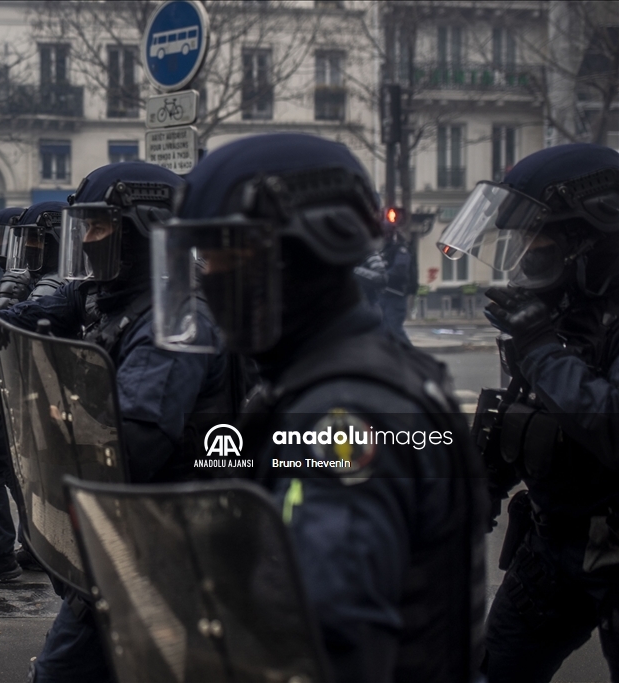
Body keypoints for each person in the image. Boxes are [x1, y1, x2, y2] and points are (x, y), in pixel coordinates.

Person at [0, 161, 232, 683]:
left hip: (167, 544)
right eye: (82, 227)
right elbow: (6, 324)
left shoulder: (173, 321)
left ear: (144, 228)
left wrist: (62, 413)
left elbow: (134, 442)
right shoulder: (100, 294)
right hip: (119, 538)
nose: (85, 240)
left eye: (97, 227)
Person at [156, 132, 486, 682]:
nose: (206, 277)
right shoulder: (327, 376)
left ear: (298, 255)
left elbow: (322, 642)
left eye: (221, 255)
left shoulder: (348, 415)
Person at [438, 143, 619, 683]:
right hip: (554, 546)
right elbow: (524, 410)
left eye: (537, 241)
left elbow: (609, 423)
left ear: (592, 241)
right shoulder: (560, 313)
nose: (523, 256)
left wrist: (539, 347)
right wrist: (481, 483)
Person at [0, 201, 68, 585]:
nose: (24, 249)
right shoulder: (48, 280)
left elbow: (1, 334)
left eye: (32, 239)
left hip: (19, 396)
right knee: (17, 474)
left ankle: (1, 556)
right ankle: (34, 544)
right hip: (25, 396)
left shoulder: (35, 282)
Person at [379, 222, 412, 343]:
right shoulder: (383, 250)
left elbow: (400, 270)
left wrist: (380, 277)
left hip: (395, 296)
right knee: (381, 332)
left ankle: (411, 358)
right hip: (382, 296)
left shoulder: (400, 249)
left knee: (394, 331)